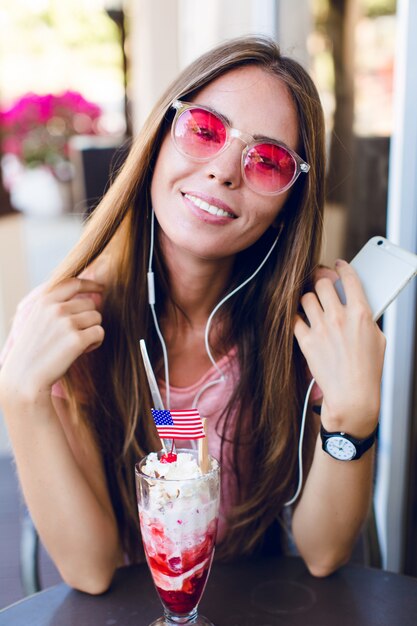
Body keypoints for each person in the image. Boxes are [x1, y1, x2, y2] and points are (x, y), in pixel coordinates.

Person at [0, 35, 385, 594]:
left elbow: (324, 555)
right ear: (159, 139)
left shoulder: (305, 329)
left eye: (269, 161)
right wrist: (19, 394)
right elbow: (89, 569)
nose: (224, 172)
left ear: (287, 208)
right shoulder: (79, 328)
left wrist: (353, 416)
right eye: (206, 130)